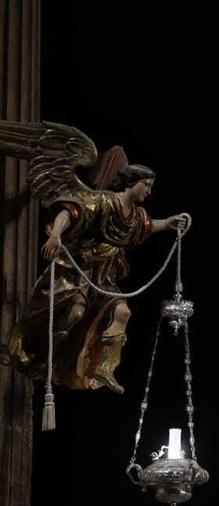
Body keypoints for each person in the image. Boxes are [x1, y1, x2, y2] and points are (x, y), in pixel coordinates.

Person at [6, 156, 189, 393]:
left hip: (104, 275)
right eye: (147, 185)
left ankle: (104, 368)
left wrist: (168, 223)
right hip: (80, 269)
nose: (149, 192)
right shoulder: (103, 201)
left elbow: (145, 226)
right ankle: (46, 357)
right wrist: (55, 236)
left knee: (122, 312)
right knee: (74, 313)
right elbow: (71, 211)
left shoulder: (135, 214)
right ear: (133, 182)